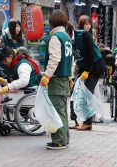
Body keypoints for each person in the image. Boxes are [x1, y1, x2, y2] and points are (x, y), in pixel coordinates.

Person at [40, 10, 72, 150]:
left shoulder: (55, 37)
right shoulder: (66, 37)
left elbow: (55, 59)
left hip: (56, 78)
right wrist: (70, 77)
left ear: (52, 23)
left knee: (57, 110)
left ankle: (59, 140)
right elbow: (71, 60)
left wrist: (47, 75)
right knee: (62, 109)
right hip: (64, 78)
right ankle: (64, 139)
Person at [69, 15, 105, 131]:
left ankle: (88, 122)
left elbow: (90, 54)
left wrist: (88, 71)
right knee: (74, 92)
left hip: (95, 66)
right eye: (86, 24)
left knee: (85, 92)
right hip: (83, 67)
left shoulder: (84, 34)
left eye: (89, 24)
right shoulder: (68, 40)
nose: (88, 26)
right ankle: (76, 120)